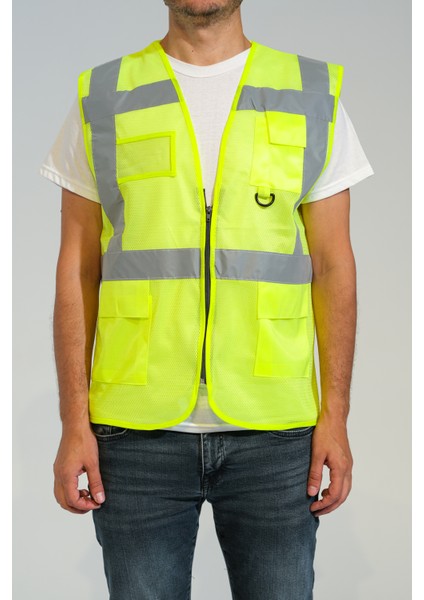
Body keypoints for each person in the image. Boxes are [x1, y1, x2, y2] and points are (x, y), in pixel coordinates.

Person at [40, 1, 373, 598]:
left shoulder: (310, 91)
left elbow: (333, 266)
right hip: (134, 432)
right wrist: (72, 424)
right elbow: (77, 268)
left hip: (276, 431)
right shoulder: (105, 94)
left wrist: (336, 419)